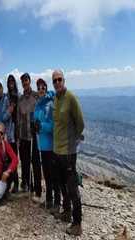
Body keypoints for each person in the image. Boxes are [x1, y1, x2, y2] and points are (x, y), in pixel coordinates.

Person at [52, 70, 85, 236]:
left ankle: (77, 223)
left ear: (64, 80)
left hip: (69, 152)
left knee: (72, 187)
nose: (57, 82)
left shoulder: (71, 98)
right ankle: (66, 212)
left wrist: (74, 140)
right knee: (62, 184)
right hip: (57, 151)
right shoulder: (56, 99)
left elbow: (80, 123)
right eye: (54, 81)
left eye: (59, 79)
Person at [33, 78, 60, 213]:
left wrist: (41, 126)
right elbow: (35, 119)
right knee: (47, 175)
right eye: (39, 88)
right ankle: (48, 200)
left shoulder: (50, 103)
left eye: (43, 87)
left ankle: (56, 202)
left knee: (53, 175)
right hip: (41, 145)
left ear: (46, 88)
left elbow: (54, 126)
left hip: (50, 145)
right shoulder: (38, 104)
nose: (41, 89)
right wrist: (36, 124)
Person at [17, 73, 42, 203]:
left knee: (36, 164)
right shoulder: (20, 100)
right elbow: (18, 118)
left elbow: (41, 112)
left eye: (26, 80)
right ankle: (26, 185)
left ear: (29, 81)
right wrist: (18, 137)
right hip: (23, 136)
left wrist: (38, 124)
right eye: (23, 81)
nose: (25, 83)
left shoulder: (36, 96)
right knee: (25, 163)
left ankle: (37, 189)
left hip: (33, 136)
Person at [6, 74, 20, 193]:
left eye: (12, 81)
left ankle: (16, 183)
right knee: (10, 158)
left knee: (14, 158)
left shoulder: (16, 96)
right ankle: (12, 181)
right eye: (9, 81)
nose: (10, 82)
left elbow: (19, 115)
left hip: (15, 131)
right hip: (9, 131)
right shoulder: (8, 97)